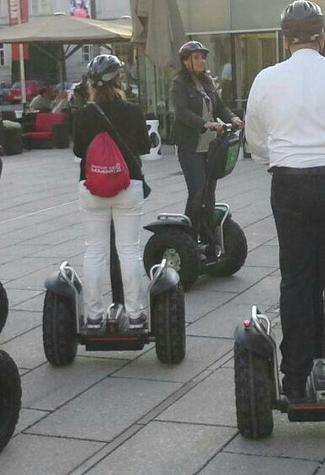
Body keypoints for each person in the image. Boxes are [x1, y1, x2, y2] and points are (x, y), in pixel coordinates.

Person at [245, 0, 325, 399]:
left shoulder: (265, 78)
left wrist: (281, 159)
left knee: (296, 278)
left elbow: (255, 141)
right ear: (323, 36)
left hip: (289, 181)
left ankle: (296, 377)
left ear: (284, 39)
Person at [71, 55, 151, 329]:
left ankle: (93, 316)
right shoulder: (133, 111)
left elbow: (79, 151)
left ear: (91, 85)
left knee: (94, 251)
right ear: (119, 81)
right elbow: (142, 146)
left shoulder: (82, 115)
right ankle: (135, 314)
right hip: (128, 186)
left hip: (92, 187)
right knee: (129, 251)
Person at [170, 40, 242, 256]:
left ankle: (208, 235)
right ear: (186, 61)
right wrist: (205, 124)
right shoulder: (179, 83)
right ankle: (188, 238)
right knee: (197, 190)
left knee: (209, 191)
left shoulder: (207, 82)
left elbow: (219, 106)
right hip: (190, 146)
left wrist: (233, 117)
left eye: (203, 57)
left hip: (210, 145)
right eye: (196, 57)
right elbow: (182, 112)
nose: (201, 61)